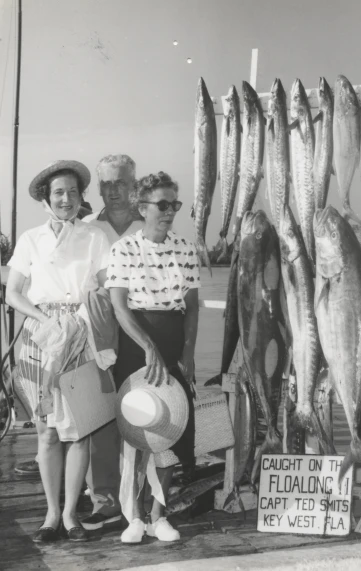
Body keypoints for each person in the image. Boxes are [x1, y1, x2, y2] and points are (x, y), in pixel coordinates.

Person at [6, 160, 111, 542]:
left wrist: (78, 321)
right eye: (58, 193)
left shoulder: (96, 237)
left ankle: (70, 515)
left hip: (81, 334)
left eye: (72, 191)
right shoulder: (30, 239)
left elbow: (104, 289)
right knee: (47, 433)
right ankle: (51, 514)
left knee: (78, 431)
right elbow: (13, 291)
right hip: (39, 338)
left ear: (81, 196)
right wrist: (46, 321)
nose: (65, 199)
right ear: (46, 199)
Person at [106, 171, 199, 543]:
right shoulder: (123, 249)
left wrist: (189, 353)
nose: (169, 211)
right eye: (162, 204)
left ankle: (160, 516)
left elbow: (192, 307)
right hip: (136, 342)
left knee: (171, 428)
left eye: (174, 204)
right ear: (141, 207)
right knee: (137, 428)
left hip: (174, 340)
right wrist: (147, 347)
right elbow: (119, 307)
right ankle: (135, 515)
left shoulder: (186, 248)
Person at [80, 155, 145, 532]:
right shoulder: (87, 228)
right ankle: (103, 499)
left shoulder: (151, 222)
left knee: (143, 411)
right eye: (105, 184)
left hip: (142, 332)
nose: (113, 190)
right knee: (101, 417)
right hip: (99, 335)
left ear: (134, 183)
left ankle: (140, 496)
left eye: (120, 182)